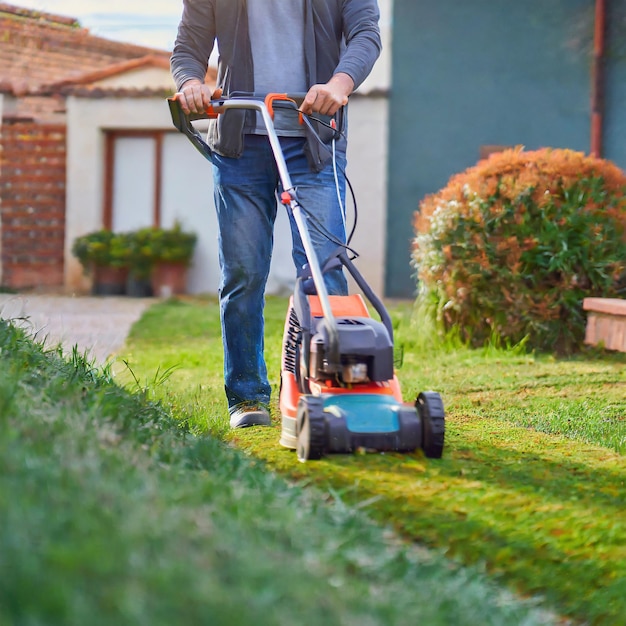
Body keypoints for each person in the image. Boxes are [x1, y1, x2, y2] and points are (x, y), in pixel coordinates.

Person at [171, 0, 382, 428]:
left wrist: (340, 84)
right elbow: (187, 48)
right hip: (239, 139)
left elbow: (366, 35)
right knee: (243, 271)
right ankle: (247, 397)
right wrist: (191, 82)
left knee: (324, 269)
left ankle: (328, 386)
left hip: (313, 139)